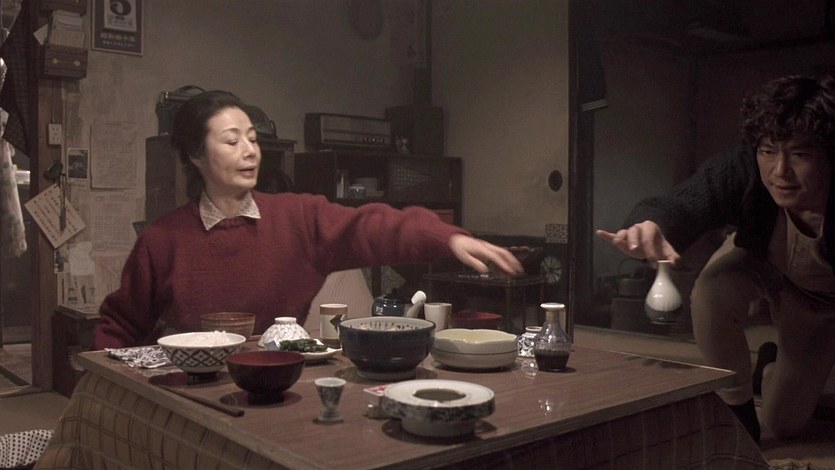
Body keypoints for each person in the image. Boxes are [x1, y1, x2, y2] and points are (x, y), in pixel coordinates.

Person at [92, 90, 522, 350]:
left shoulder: (296, 217)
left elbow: (370, 226)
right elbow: (121, 325)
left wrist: (445, 238)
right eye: (232, 141)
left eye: (253, 139)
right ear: (195, 155)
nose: (250, 151)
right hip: (194, 390)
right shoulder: (164, 239)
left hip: (281, 379)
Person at [596, 72, 835, 443]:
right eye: (768, 150)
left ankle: (769, 368)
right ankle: (736, 408)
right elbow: (687, 200)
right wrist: (651, 226)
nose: (780, 171)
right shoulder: (744, 166)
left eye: (800, 154)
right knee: (711, 289)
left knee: (785, 424)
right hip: (761, 258)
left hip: (819, 300)